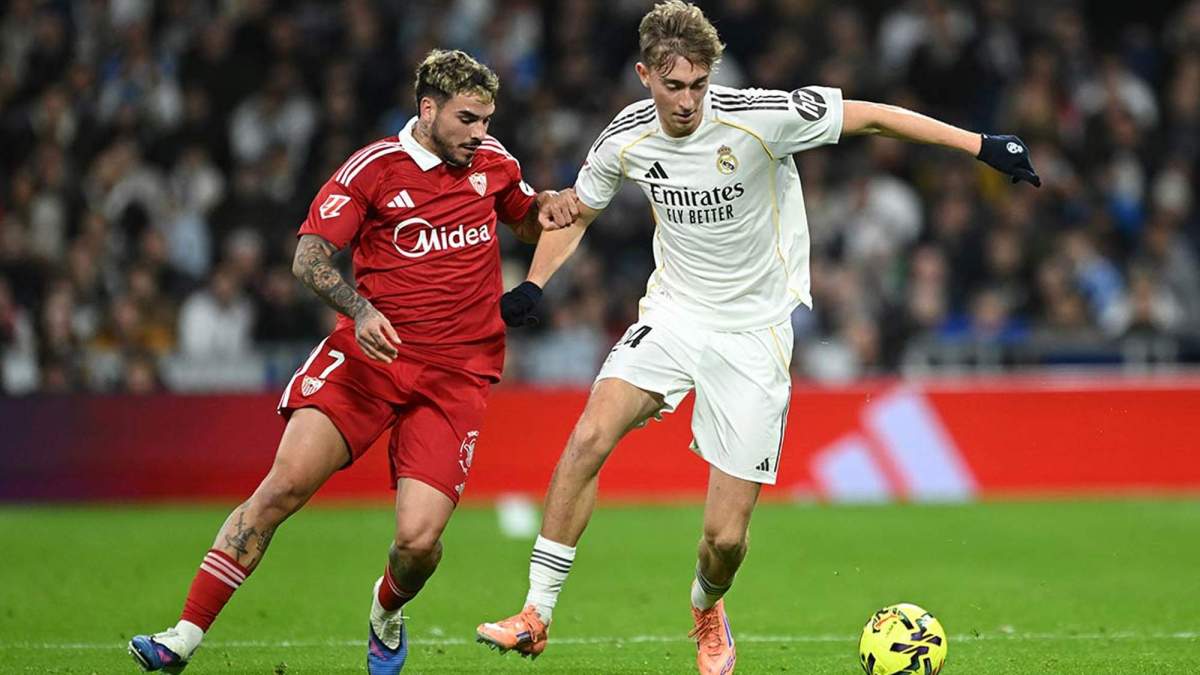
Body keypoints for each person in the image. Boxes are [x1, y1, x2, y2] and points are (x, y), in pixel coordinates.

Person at [476, 2, 1040, 673]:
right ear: (645, 76)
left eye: (698, 84)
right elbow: (577, 211)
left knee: (725, 540)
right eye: (673, 85)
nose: (687, 101)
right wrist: (536, 283)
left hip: (754, 332)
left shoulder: (760, 116)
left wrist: (980, 144)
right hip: (674, 313)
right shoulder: (624, 137)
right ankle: (536, 612)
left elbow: (872, 116)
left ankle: (706, 606)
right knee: (590, 435)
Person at [128, 49, 577, 674]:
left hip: (456, 375)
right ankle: (182, 635)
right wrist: (360, 311)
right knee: (281, 488)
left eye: (486, 120)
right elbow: (308, 258)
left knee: (418, 544)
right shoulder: (373, 169)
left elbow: (525, 218)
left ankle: (386, 611)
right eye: (468, 119)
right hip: (370, 361)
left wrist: (545, 206)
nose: (480, 132)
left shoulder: (493, 162)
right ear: (428, 110)